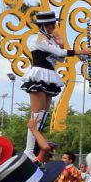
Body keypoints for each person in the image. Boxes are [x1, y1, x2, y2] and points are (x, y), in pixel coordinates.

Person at [20, 9, 68, 152]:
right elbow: (60, 53)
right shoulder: (38, 38)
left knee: (44, 114)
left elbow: (59, 58)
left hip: (49, 75)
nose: (54, 26)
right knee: (37, 114)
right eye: (51, 24)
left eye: (54, 23)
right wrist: (80, 52)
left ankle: (36, 145)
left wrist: (61, 42)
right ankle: (29, 149)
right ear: (44, 25)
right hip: (39, 74)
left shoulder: (50, 40)